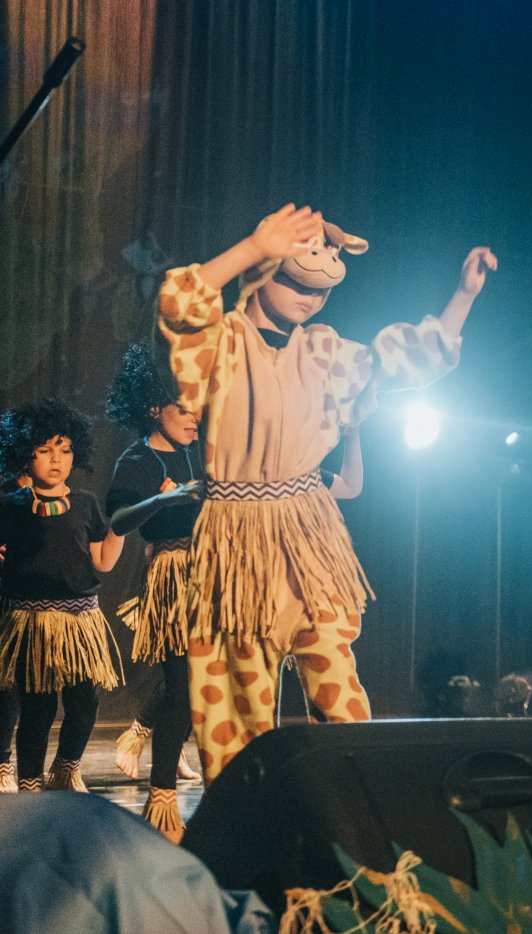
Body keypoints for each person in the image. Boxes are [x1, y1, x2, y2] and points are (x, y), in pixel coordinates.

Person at [156, 203, 495, 779]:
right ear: (263, 275)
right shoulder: (225, 341)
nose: (309, 297)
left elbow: (402, 360)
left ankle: (359, 815)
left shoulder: (322, 348)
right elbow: (180, 303)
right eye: (293, 280)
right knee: (240, 704)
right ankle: (247, 830)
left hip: (308, 532)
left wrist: (462, 298)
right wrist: (254, 246)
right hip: (238, 539)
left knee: (338, 686)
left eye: (318, 288)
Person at [102, 342, 205, 835]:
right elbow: (120, 519)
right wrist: (165, 500)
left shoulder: (202, 452)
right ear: (154, 408)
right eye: (183, 408)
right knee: (183, 686)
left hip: (215, 574)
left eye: (197, 407)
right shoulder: (137, 460)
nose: (194, 417)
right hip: (173, 578)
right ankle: (161, 797)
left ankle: (145, 734)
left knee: (205, 686)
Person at [0, 399, 125, 792]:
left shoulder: (86, 504)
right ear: (25, 455)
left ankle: (67, 766)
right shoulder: (9, 506)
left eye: (65, 450)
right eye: (44, 450)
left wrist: (119, 530)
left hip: (79, 621)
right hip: (31, 622)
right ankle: (30, 782)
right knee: (37, 708)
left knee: (84, 703)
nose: (56, 459)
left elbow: (102, 562)